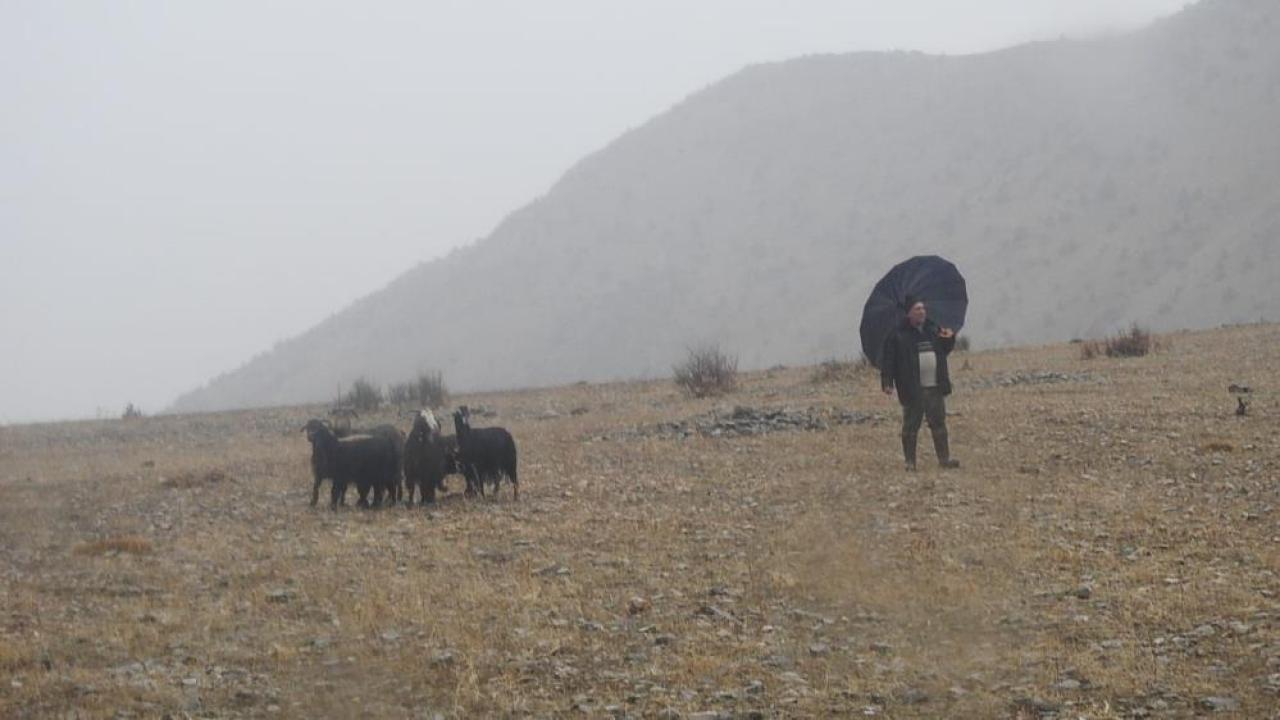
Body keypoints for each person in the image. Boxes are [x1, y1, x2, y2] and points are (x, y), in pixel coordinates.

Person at [881, 295, 960, 470]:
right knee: (911, 426)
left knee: (938, 423)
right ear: (909, 313)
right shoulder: (897, 335)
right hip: (912, 387)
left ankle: (944, 459)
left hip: (934, 385)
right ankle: (910, 462)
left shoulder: (933, 329)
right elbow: (889, 361)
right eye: (918, 309)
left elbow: (944, 350)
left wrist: (949, 338)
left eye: (923, 308)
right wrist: (887, 381)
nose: (922, 311)